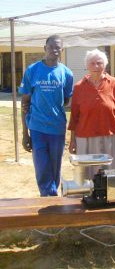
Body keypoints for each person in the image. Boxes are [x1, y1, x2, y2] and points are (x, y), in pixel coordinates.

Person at [19, 34, 73, 196]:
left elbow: (65, 100)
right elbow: (25, 103)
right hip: (37, 129)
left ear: (62, 50)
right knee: (42, 169)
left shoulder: (67, 73)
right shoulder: (32, 70)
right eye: (51, 47)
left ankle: (51, 202)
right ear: (45, 48)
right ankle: (49, 201)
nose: (54, 50)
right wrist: (24, 133)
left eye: (58, 48)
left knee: (55, 170)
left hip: (57, 129)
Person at [68, 49, 115, 176]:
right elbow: (74, 116)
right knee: (88, 176)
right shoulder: (79, 87)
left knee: (114, 174)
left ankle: (114, 195)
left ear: (105, 64)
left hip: (112, 136)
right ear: (86, 66)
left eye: (99, 63)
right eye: (92, 63)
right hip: (85, 137)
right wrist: (72, 140)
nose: (96, 66)